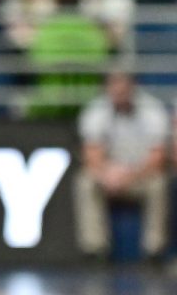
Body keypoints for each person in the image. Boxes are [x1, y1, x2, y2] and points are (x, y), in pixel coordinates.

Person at [74, 70, 169, 262]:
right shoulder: (96, 110)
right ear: (107, 87)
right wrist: (106, 173)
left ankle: (154, 250)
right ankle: (94, 249)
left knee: (159, 184)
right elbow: (91, 154)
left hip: (141, 175)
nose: (119, 91)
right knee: (85, 182)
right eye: (114, 85)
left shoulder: (152, 110)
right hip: (108, 175)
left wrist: (130, 175)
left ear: (133, 86)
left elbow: (157, 157)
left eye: (123, 86)